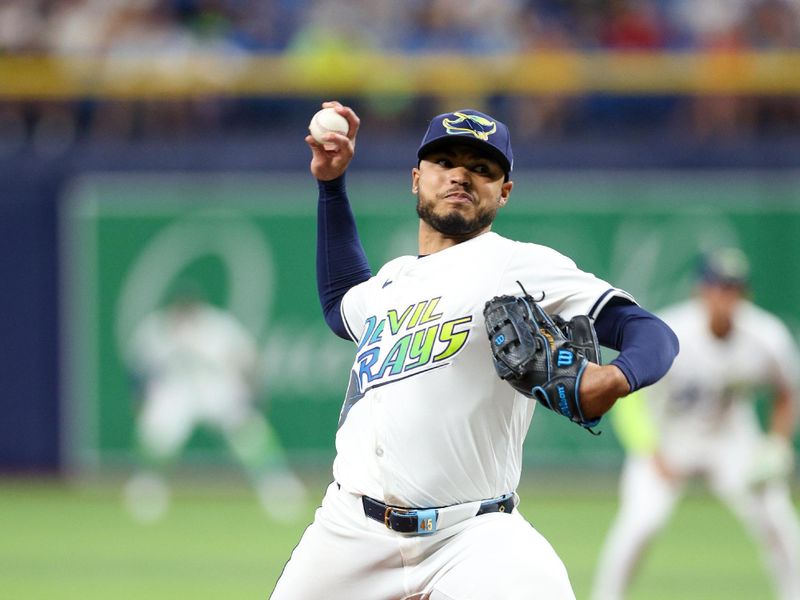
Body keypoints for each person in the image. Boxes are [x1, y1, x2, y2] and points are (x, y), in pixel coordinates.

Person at [270, 101, 679, 600]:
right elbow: (340, 305)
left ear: (503, 193)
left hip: (475, 536)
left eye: (482, 169)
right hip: (350, 531)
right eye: (445, 163)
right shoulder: (392, 280)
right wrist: (331, 185)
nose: (460, 175)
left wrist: (615, 378)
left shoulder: (517, 264)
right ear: (416, 178)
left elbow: (650, 331)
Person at [591, 248, 800, 600]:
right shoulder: (671, 332)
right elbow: (630, 399)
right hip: (669, 437)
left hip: (730, 439)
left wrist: (776, 444)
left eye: (733, 287)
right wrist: (650, 451)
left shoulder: (766, 335)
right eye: (718, 286)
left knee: (776, 518)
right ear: (701, 290)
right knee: (641, 523)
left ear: (744, 292)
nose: (725, 296)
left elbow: (786, 392)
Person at [122, 283, 307, 523]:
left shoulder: (218, 326)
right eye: (180, 311)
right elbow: (137, 369)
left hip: (216, 386)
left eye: (189, 311)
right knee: (156, 431)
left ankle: (278, 487)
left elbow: (248, 361)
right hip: (177, 390)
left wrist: (255, 394)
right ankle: (146, 487)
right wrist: (139, 399)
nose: (184, 316)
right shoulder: (156, 328)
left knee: (249, 432)